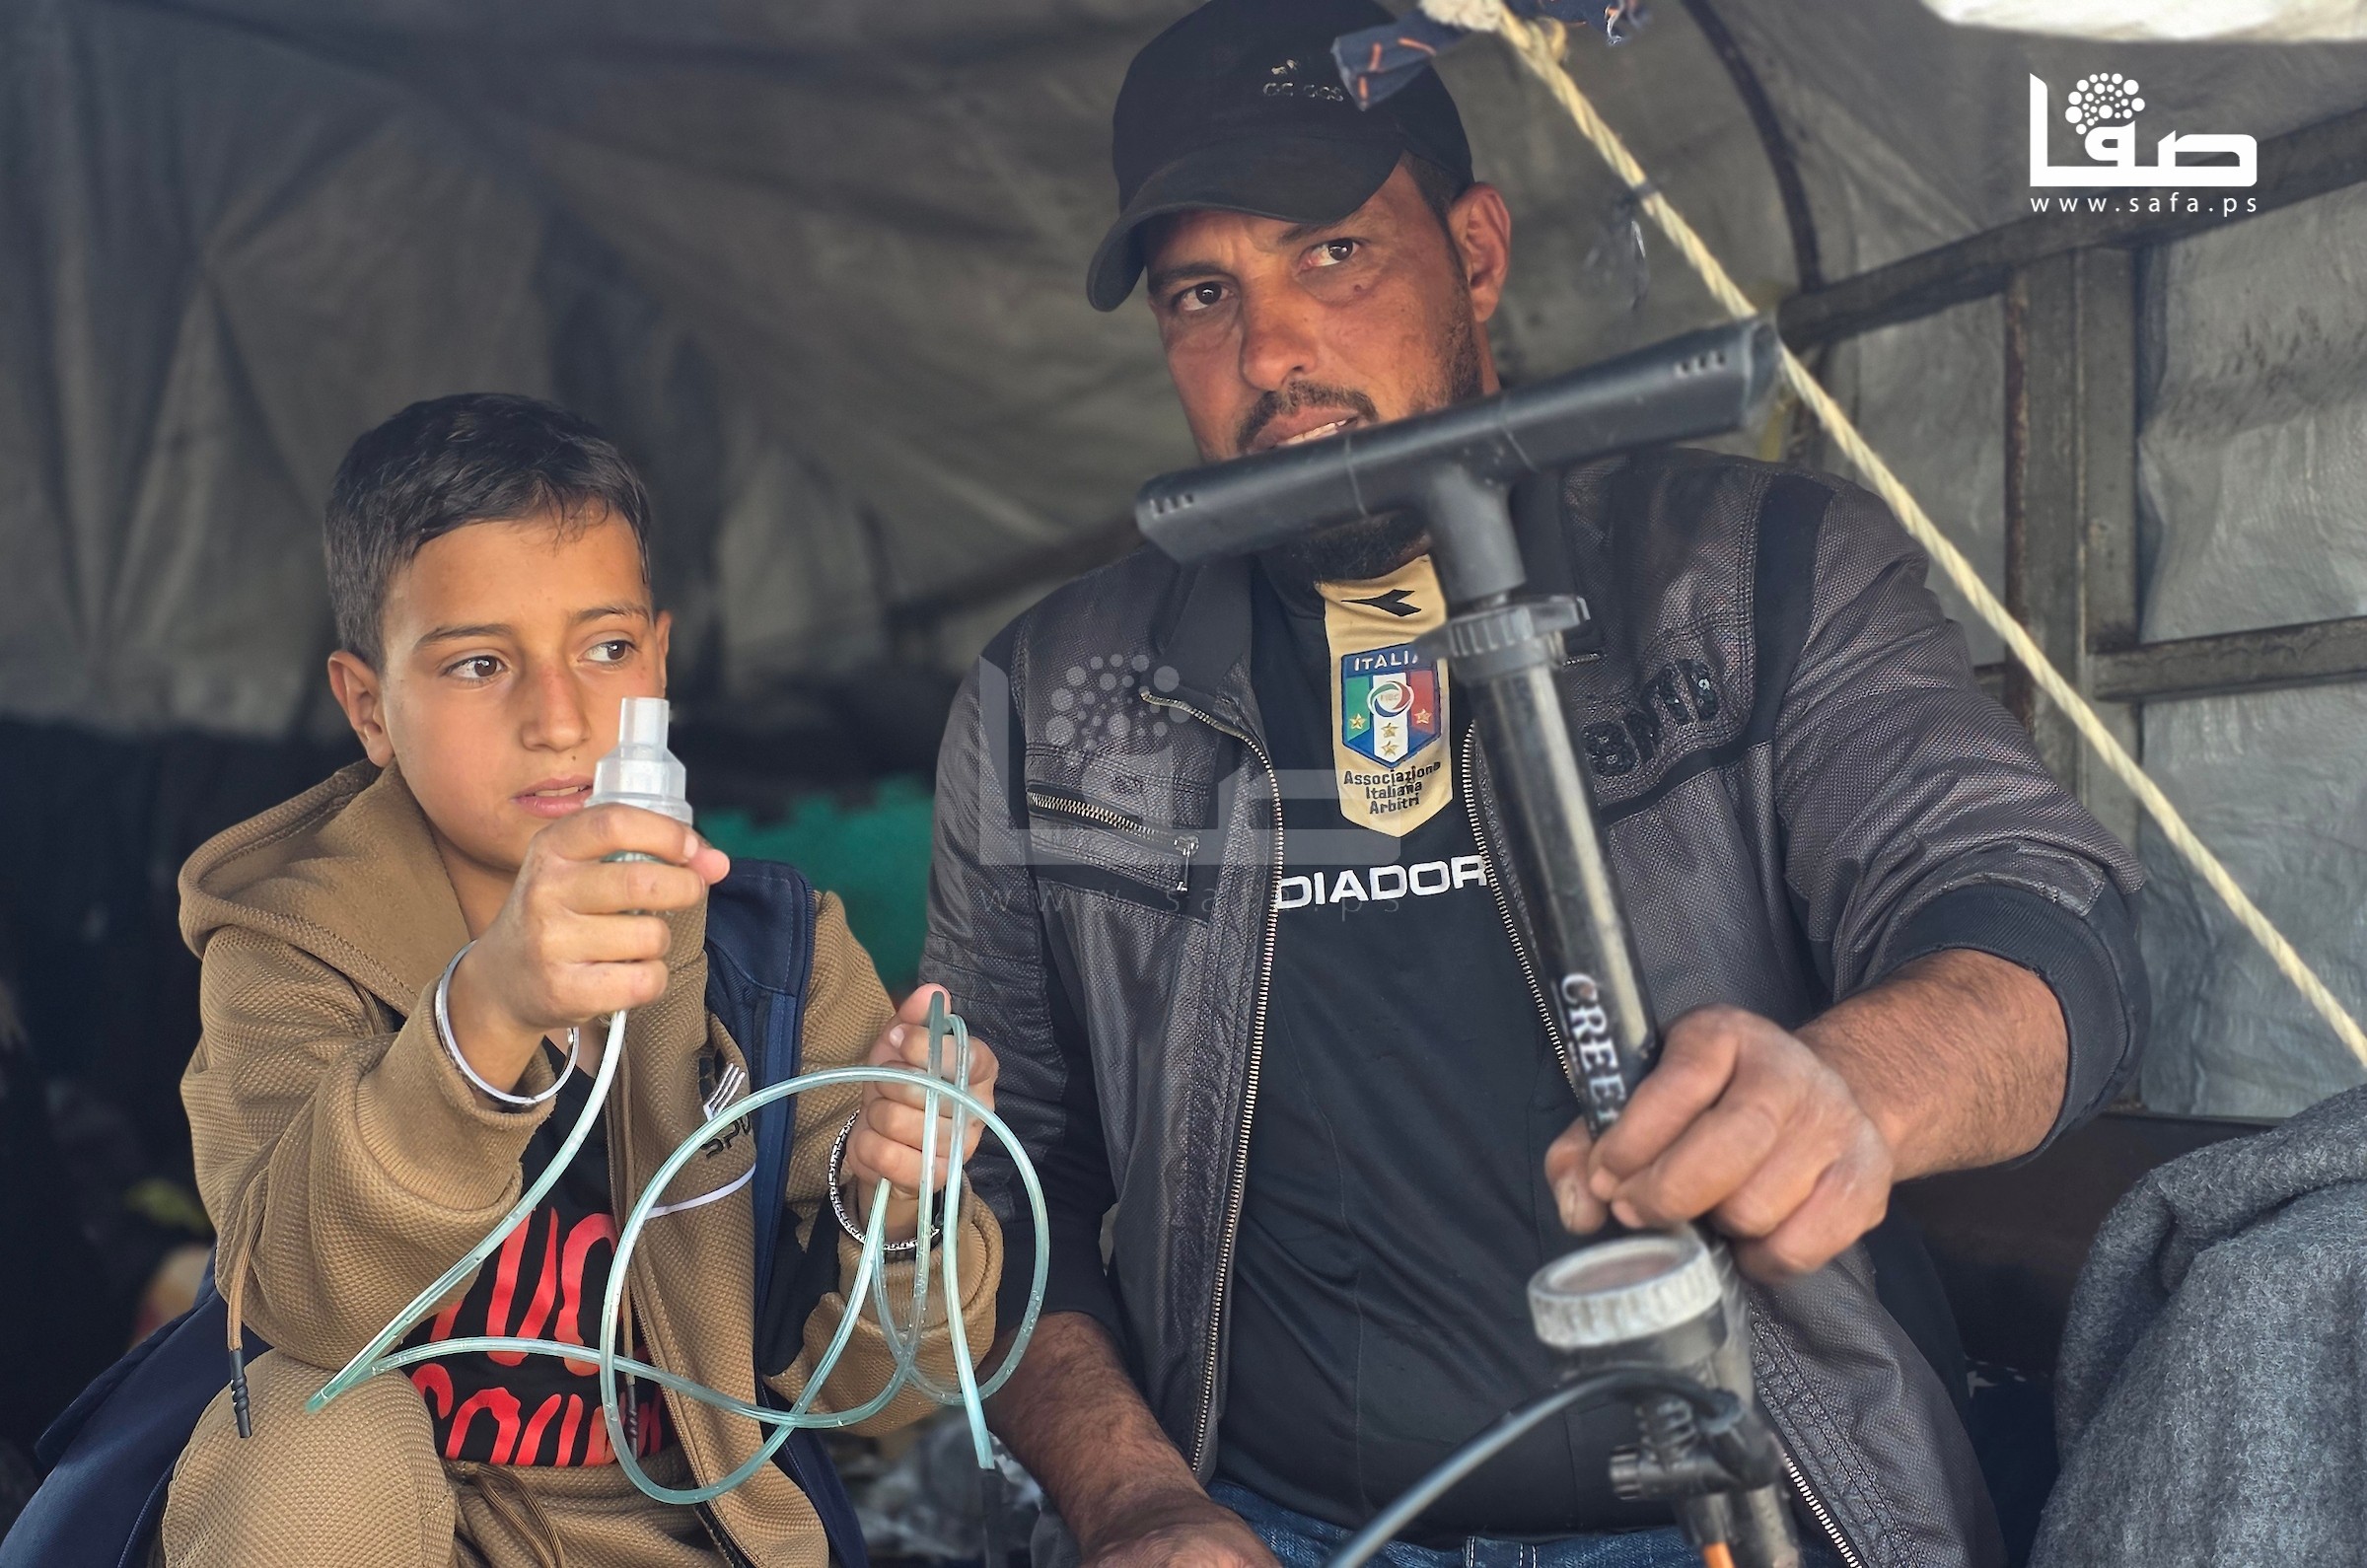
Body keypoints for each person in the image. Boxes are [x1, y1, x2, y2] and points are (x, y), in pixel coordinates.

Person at [927, 5, 2147, 1568]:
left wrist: (1849, 1089)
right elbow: (991, 1180)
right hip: (1281, 1531)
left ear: (1477, 250)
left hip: (1757, 1512)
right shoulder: (1051, 699)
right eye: (1203, 294)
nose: (1272, 354)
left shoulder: (1752, 570)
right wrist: (1136, 1499)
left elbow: (2042, 917)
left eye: (1333, 256)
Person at [159, 394, 1000, 1567]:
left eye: (605, 651)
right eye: (479, 663)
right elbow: (305, 1303)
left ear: (659, 662)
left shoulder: (773, 959)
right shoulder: (291, 946)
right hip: (407, 1533)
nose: (558, 721)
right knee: (311, 1441)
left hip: (686, 1538)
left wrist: (898, 1198)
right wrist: (486, 1015)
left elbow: (888, 1391)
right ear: (368, 707)